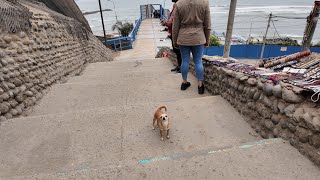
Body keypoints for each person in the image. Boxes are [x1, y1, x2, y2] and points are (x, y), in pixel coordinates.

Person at [172, 0, 211, 94]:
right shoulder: (204, 2)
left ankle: (184, 82)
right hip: (199, 37)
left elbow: (175, 26)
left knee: (185, 61)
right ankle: (200, 85)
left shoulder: (179, 4)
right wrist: (207, 40)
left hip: (183, 37)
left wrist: (175, 41)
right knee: (198, 61)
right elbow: (208, 25)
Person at [162, 0, 182, 73]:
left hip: (176, 33)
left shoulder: (177, 5)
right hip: (173, 32)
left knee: (178, 51)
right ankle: (179, 66)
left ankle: (180, 67)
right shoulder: (175, 5)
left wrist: (166, 23)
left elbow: (173, 22)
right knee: (176, 50)